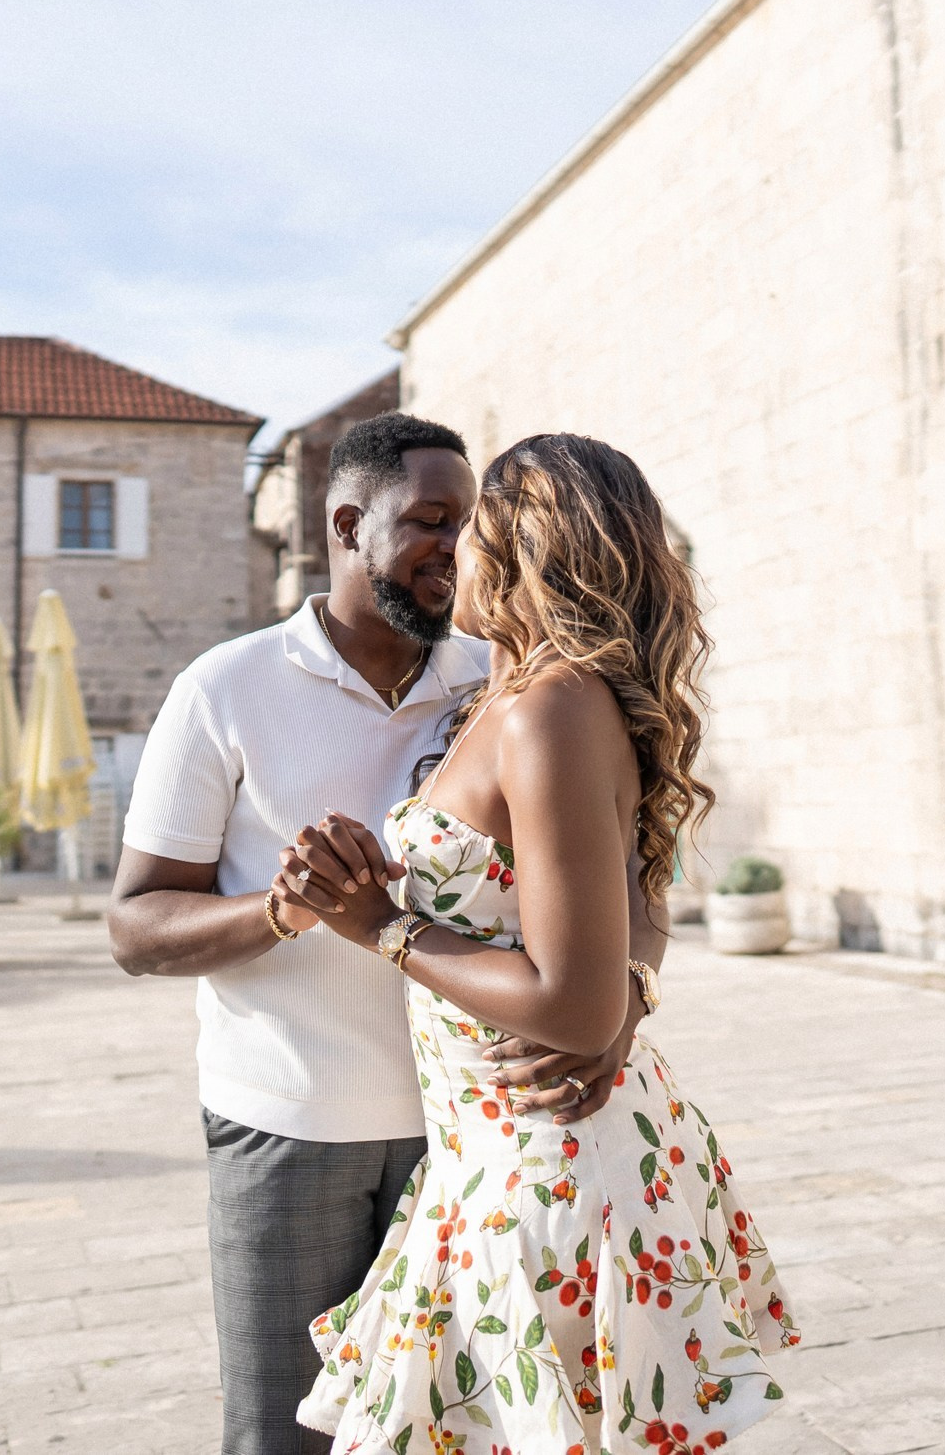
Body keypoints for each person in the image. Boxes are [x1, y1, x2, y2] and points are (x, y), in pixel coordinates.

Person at [112, 413, 662, 1455]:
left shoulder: (504, 677)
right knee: (287, 1438)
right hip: (291, 1130)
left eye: (471, 522)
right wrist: (281, 909)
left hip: (476, 1141)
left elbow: (637, 871)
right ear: (347, 525)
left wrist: (621, 999)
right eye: (430, 521)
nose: (456, 548)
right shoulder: (224, 689)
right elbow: (136, 926)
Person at [274, 432, 798, 1453]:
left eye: (473, 523)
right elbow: (631, 887)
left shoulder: (550, 708)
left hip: (546, 1163)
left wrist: (380, 925)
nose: (455, 546)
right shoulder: (513, 695)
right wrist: (630, 986)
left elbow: (572, 1006)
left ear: (522, 546)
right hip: (493, 1153)